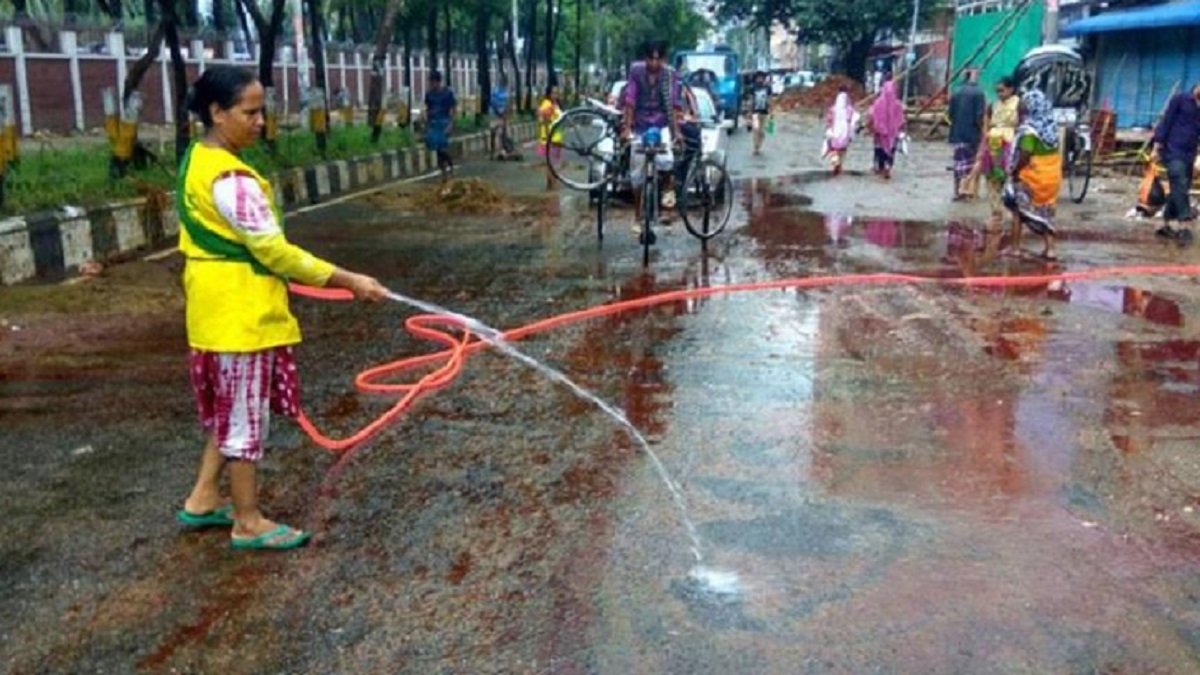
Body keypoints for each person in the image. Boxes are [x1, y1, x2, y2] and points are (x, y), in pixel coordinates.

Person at [175, 66, 389, 550]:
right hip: (243, 317)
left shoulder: (198, 158)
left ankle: (204, 496)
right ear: (216, 112)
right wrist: (349, 279)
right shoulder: (233, 179)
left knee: (227, 412)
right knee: (245, 419)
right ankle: (248, 521)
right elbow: (276, 252)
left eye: (261, 112)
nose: (259, 122)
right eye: (249, 112)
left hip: (212, 310)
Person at [623, 39, 683, 242]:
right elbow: (630, 101)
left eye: (658, 59)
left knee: (666, 160)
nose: (654, 63)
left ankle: (667, 193)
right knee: (636, 172)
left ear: (662, 59)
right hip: (640, 125)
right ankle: (637, 216)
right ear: (645, 58)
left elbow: (674, 105)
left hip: (662, 124)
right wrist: (626, 127)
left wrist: (677, 132)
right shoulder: (636, 72)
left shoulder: (669, 74)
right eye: (651, 58)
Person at [1003, 89, 1062, 261]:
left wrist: (1014, 171)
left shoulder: (1030, 130)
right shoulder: (1050, 128)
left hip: (1032, 177)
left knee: (1017, 210)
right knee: (1046, 213)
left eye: (1023, 106)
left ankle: (1015, 248)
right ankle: (1051, 249)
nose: (1020, 109)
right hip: (1051, 177)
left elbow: (1026, 153)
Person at [961, 76, 1020, 226]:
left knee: (1012, 180)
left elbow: (1023, 125)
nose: (999, 94)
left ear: (1011, 89)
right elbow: (986, 127)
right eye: (997, 91)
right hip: (993, 145)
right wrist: (982, 147)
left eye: (1002, 90)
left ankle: (1016, 215)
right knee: (992, 180)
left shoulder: (1019, 105)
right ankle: (996, 213)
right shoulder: (993, 106)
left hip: (1011, 146)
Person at [1150, 82, 1200, 243]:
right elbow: (1166, 122)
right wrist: (1156, 146)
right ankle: (1184, 223)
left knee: (1180, 187)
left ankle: (1163, 224)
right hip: (1172, 150)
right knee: (1179, 182)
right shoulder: (1180, 100)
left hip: (1189, 153)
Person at [948, 70, 987, 200]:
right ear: (975, 77)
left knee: (958, 164)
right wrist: (983, 131)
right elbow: (979, 116)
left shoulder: (956, 91)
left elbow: (950, 114)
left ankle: (957, 190)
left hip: (957, 133)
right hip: (972, 134)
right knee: (974, 163)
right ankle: (971, 192)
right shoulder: (979, 93)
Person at [424, 70, 458, 181]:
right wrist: (427, 124)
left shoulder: (447, 93)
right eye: (430, 82)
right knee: (436, 149)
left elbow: (453, 109)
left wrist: (451, 124)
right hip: (434, 123)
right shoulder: (429, 94)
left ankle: (451, 167)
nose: (431, 84)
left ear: (438, 82)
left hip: (444, 122)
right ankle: (443, 172)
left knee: (442, 148)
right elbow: (428, 110)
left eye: (433, 82)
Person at [868, 79, 905, 179]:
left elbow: (871, 116)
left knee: (879, 151)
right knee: (891, 150)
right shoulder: (898, 104)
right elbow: (901, 120)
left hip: (880, 134)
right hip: (893, 134)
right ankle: (888, 166)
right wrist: (901, 130)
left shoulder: (877, 103)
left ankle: (881, 167)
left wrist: (872, 128)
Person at [537, 84, 564, 190]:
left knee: (554, 164)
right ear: (548, 94)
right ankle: (551, 185)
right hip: (549, 139)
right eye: (553, 93)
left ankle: (552, 185)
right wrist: (549, 138)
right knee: (550, 164)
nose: (556, 95)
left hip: (556, 139)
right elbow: (545, 121)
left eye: (557, 92)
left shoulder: (555, 104)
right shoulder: (547, 105)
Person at [824, 87, 856, 176]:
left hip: (835, 132)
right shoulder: (849, 109)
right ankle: (840, 165)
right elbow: (853, 120)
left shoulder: (833, 109)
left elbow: (829, 120)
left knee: (834, 149)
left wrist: (828, 129)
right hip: (845, 132)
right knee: (842, 150)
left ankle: (835, 165)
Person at [749, 71, 773, 156]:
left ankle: (759, 146)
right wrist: (749, 112)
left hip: (765, 112)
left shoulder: (768, 88)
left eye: (761, 77)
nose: (760, 79)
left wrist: (771, 110)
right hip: (755, 113)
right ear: (756, 78)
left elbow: (770, 99)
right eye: (758, 77)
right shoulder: (753, 88)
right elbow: (751, 100)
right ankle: (755, 148)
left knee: (762, 132)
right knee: (756, 130)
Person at [489, 74, 512, 160]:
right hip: (495, 115)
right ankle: (493, 151)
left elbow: (507, 105)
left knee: (499, 133)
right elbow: (493, 103)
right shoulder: (496, 91)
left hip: (500, 115)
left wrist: (505, 114)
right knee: (494, 133)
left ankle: (500, 151)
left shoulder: (506, 92)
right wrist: (500, 113)